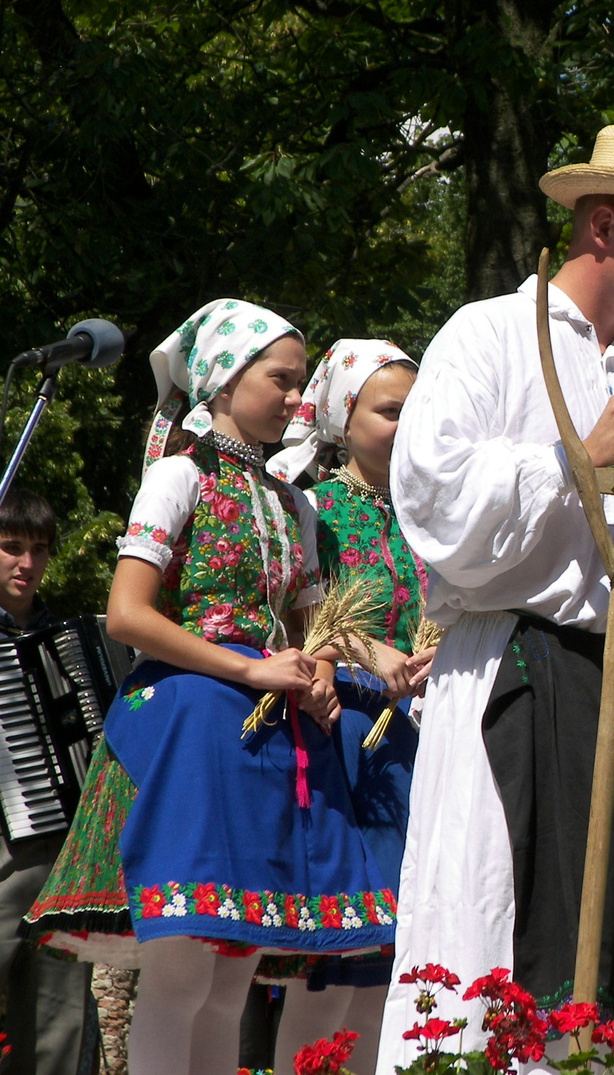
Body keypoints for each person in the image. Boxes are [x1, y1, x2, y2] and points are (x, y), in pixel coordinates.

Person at [379, 125, 614, 1070]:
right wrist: (568, 460)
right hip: (513, 667)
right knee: (503, 919)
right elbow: (432, 496)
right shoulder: (488, 338)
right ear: (601, 224)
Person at [22, 299, 414, 1075]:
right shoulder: (178, 475)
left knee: (231, 978)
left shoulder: (293, 502)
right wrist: (250, 666)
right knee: (180, 974)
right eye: (279, 379)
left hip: (268, 736)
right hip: (193, 725)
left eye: (301, 384)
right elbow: (129, 616)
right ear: (224, 380)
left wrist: (315, 674)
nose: (295, 399)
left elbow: (304, 632)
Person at [265, 339, 430, 1075]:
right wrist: (368, 651)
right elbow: (293, 614)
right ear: (341, 417)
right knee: (340, 945)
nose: (409, 423)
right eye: (391, 410)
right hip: (343, 736)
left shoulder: (431, 514)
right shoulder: (314, 508)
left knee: (397, 955)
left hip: (420, 743)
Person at [0, 489, 96, 1075]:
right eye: (10, 548)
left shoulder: (66, 636)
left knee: (58, 1018)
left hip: (59, 844)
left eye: (38, 550)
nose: (25, 564)